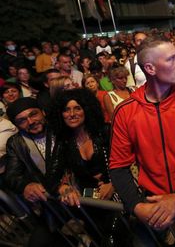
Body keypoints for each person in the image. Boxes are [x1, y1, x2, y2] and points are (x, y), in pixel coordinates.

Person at [109, 37, 175, 246]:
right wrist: (137, 206)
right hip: (152, 203)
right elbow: (118, 167)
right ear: (150, 68)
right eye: (172, 59)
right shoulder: (126, 111)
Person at [46, 88, 117, 244]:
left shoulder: (104, 131)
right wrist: (63, 188)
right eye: (66, 110)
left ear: (87, 109)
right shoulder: (63, 141)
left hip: (117, 201)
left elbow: (127, 162)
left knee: (114, 239)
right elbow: (51, 176)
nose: (72, 114)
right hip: (90, 205)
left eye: (77, 108)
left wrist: (113, 183)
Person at [4, 98, 60, 246]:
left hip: (83, 198)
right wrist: (25, 185)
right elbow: (11, 176)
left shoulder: (61, 129)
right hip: (52, 206)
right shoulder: (16, 143)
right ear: (16, 125)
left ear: (43, 112)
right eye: (22, 120)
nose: (30, 121)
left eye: (33, 114)